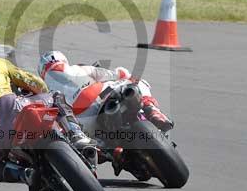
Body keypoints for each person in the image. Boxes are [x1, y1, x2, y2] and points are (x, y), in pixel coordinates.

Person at [0, 35, 96, 191]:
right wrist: (41, 95)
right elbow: (33, 81)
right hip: (20, 108)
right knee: (56, 97)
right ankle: (76, 134)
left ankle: (23, 174)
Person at [38, 50, 174, 131]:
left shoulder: (43, 89)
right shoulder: (79, 68)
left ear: (42, 72)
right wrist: (124, 74)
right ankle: (153, 111)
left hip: (80, 120)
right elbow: (117, 74)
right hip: (100, 95)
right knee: (138, 82)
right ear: (63, 60)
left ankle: (113, 154)